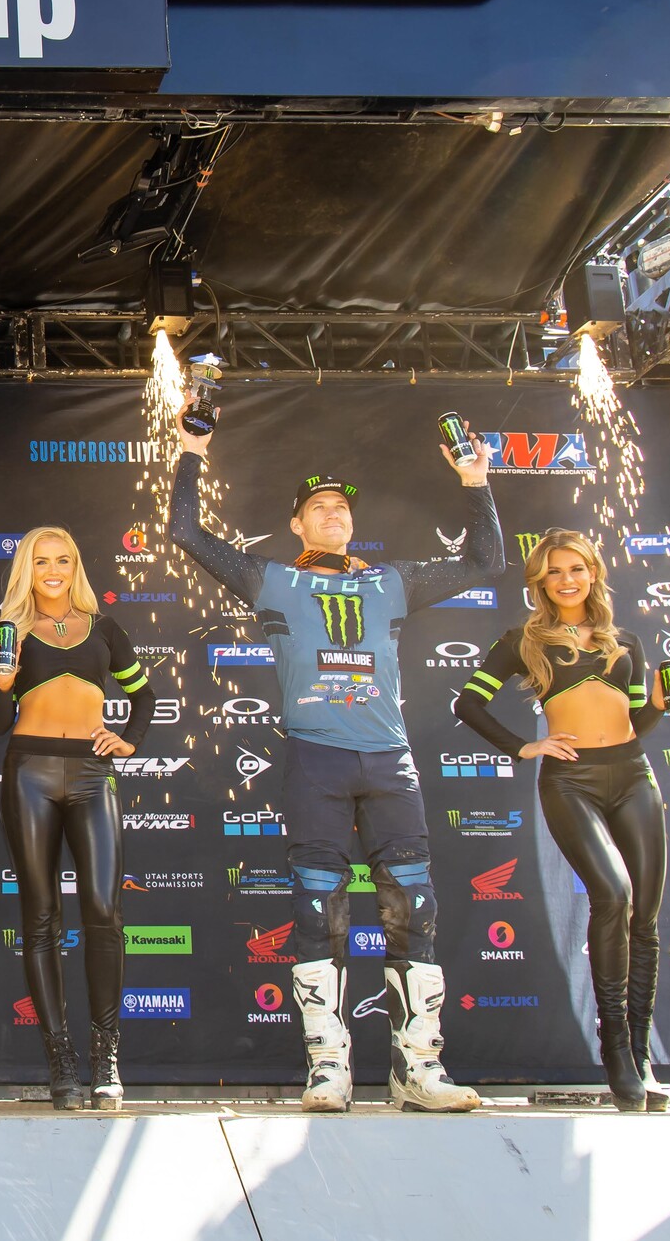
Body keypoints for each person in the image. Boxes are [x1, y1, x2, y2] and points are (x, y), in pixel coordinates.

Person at [167, 422, 505, 1112]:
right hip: (317, 758)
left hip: (389, 761)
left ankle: (419, 1070)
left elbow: (484, 563)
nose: (333, 513)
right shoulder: (272, 578)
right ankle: (328, 1067)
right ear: (296, 523)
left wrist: (477, 483)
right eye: (318, 506)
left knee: (414, 905)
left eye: (343, 507)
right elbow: (186, 535)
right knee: (318, 906)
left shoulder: (392, 581)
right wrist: (190, 455)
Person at [452, 530, 670, 1111]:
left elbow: (634, 723)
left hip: (634, 776)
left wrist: (657, 707)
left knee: (645, 918)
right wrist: (524, 747)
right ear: (540, 582)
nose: (567, 579)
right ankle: (615, 1049)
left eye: (576, 568)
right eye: (554, 572)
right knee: (614, 895)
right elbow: (467, 704)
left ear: (593, 572)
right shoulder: (524, 640)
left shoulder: (625, 640)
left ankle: (641, 1058)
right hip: (570, 782)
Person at [0, 527, 159, 1109]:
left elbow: (144, 696)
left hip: (92, 774)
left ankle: (105, 1058)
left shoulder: (105, 627)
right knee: (40, 919)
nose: (53, 570)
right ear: (26, 570)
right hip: (28, 772)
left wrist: (129, 740)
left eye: (63, 559)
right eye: (41, 561)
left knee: (105, 913)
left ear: (76, 564)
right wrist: (3, 685)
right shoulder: (9, 630)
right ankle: (61, 1061)